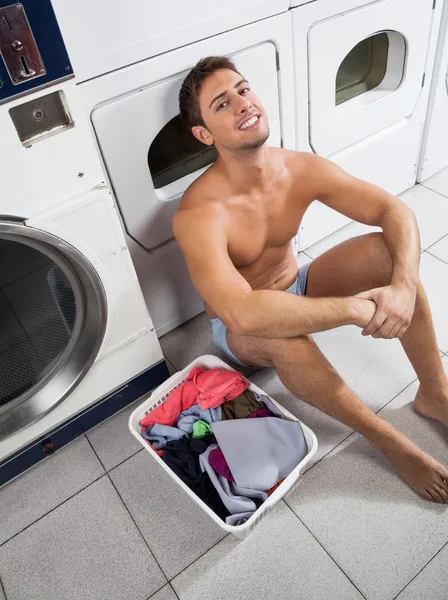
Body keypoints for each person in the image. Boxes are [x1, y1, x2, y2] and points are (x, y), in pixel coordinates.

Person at [173, 56, 448, 503]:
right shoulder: (198, 214)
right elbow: (242, 310)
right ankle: (388, 441)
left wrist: (400, 289)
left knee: (387, 252)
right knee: (286, 340)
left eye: (244, 90)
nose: (243, 104)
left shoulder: (299, 168)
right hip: (240, 329)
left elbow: (394, 211)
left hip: (297, 284)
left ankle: (435, 392)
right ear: (204, 135)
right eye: (222, 104)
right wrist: (355, 310)